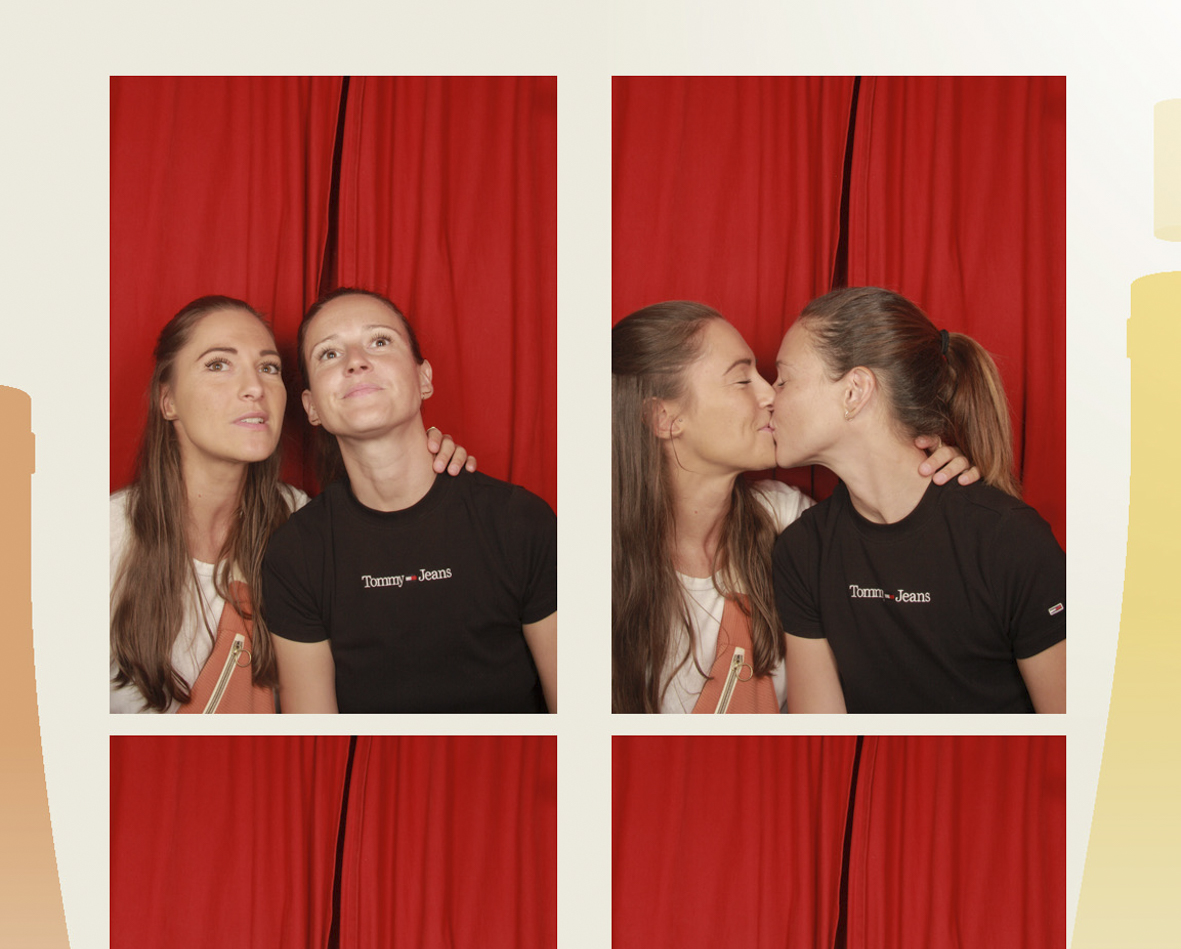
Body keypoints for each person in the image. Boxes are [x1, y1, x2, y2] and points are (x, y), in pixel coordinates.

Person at [110, 295, 471, 714]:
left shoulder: (299, 521)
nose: (254, 388)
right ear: (167, 400)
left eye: (268, 368)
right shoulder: (104, 538)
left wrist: (426, 472)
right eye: (218, 364)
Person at [611, 301, 976, 714]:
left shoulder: (788, 521)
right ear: (664, 418)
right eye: (742, 380)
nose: (770, 395)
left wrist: (921, 481)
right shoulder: (594, 569)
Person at [261, 288, 558, 714]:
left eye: (380, 341)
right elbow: (315, 736)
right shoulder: (296, 553)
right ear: (311, 408)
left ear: (424, 379)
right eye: (329, 354)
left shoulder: (520, 522)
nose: (355, 362)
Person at [771, 286, 1066, 713]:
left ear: (855, 391)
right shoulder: (802, 552)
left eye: (783, 379)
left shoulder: (1010, 542)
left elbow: (1077, 737)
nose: (769, 397)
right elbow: (821, 736)